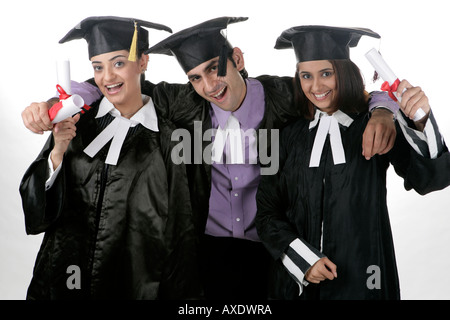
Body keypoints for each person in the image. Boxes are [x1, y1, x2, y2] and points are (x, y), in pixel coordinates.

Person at [21, 17, 398, 300]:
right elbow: (120, 88)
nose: (209, 85)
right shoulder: (185, 103)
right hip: (205, 249)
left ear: (236, 58)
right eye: (196, 77)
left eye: (215, 69)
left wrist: (382, 110)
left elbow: (342, 94)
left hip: (267, 247)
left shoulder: (284, 96)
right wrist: (61, 102)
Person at [255, 25, 450, 300]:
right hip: (296, 285)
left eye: (326, 73)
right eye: (306, 76)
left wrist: (419, 121)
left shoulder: (373, 127)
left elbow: (431, 180)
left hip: (365, 280)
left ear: (344, 72)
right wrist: (303, 261)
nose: (316, 86)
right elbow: (266, 213)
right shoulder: (284, 137)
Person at [19, 16, 202, 299]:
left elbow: (180, 233)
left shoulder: (168, 139)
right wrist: (57, 152)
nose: (107, 77)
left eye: (118, 63)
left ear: (143, 61)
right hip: (64, 278)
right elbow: (36, 215)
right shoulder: (76, 123)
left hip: (131, 283)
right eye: (98, 67)